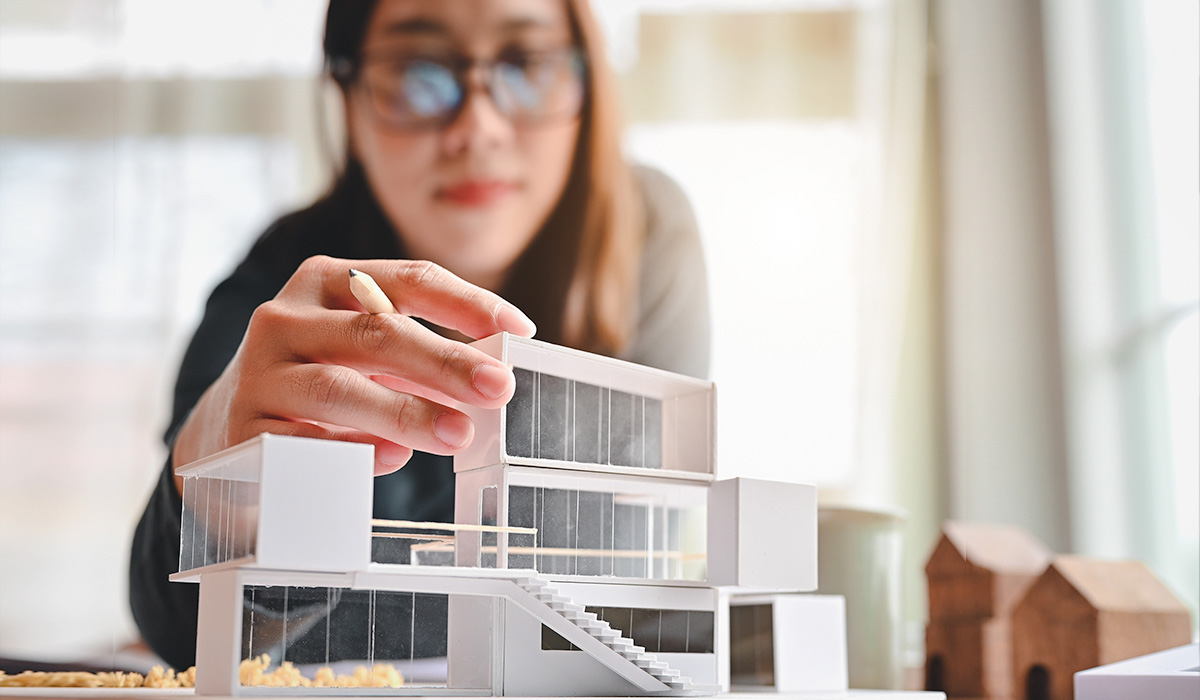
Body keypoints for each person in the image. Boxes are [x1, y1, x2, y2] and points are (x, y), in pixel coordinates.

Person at [129, 0, 710, 672]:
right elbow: (182, 636)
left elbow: (604, 588)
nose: (478, 127)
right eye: (417, 72)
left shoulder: (647, 237)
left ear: (589, 85)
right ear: (346, 95)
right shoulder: (280, 281)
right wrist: (220, 503)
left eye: (526, 62)